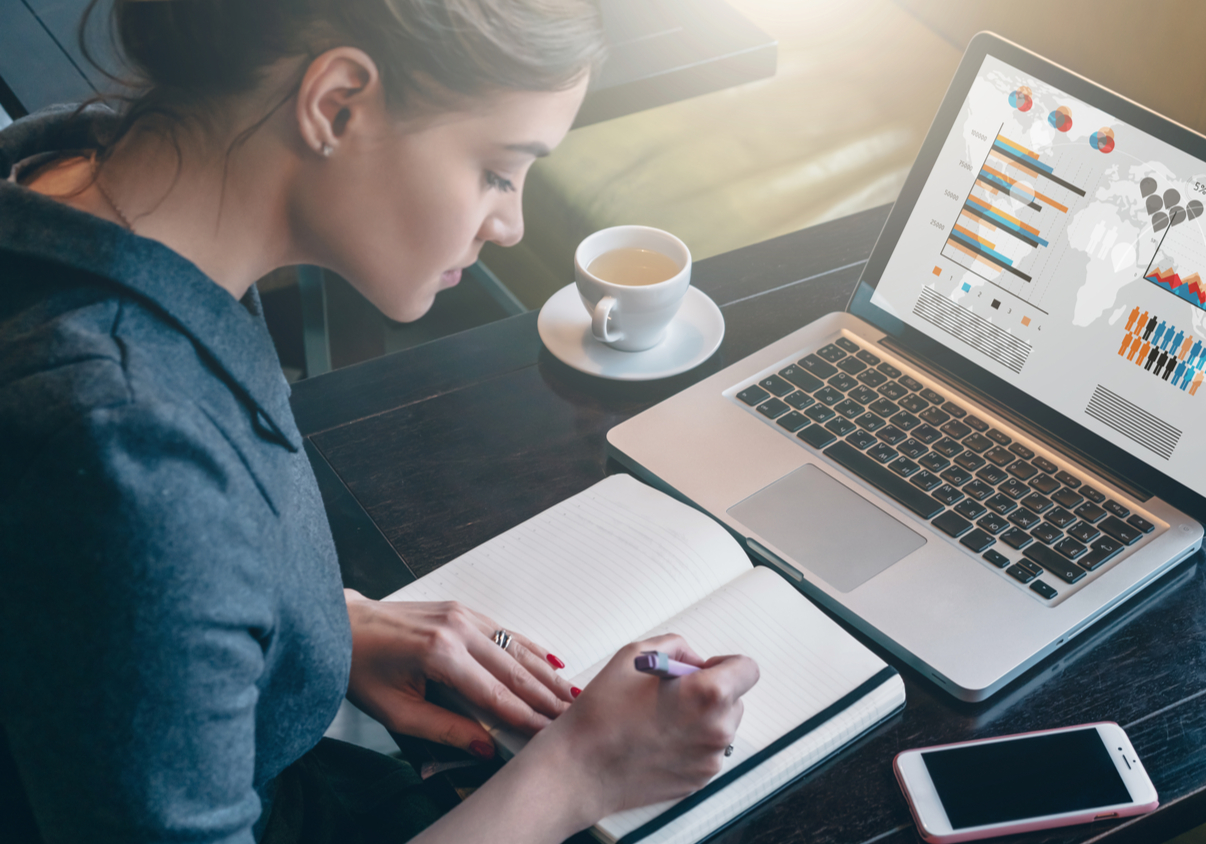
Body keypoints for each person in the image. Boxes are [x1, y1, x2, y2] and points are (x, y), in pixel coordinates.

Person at [0, 1, 759, 842]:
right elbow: (136, 519)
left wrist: (301, 624)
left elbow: (78, 608)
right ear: (337, 104)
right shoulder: (125, 453)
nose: (509, 226)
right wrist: (581, 772)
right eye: (498, 172)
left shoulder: (75, 167)